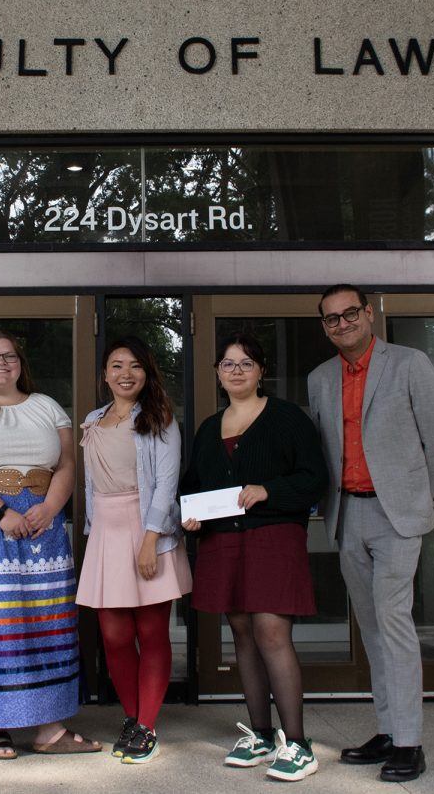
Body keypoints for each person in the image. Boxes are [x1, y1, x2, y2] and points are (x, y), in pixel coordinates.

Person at [307, 284, 434, 783]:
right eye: (331, 319)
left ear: (368, 313)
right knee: (370, 627)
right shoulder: (320, 378)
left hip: (396, 516)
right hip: (348, 514)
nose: (342, 323)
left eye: (350, 313)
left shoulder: (409, 364)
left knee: (394, 622)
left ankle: (410, 741)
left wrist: (416, 498)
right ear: (324, 326)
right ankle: (389, 729)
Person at [0, 330, 102, 758]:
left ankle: (50, 729)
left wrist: (51, 506)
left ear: (20, 362)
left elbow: (66, 464)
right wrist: (1, 513)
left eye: (8, 356)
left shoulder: (46, 406)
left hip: (41, 525)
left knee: (45, 621)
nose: (0, 363)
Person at [180, 332, 327, 782]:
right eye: (228, 363)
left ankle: (298, 744)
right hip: (224, 540)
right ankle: (261, 734)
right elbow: (192, 485)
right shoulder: (209, 426)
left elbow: (314, 477)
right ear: (218, 374)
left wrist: (270, 490)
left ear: (261, 370)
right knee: (241, 632)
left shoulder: (287, 418)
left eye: (246, 363)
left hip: (273, 535)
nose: (237, 370)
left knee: (271, 632)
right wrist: (192, 516)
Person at [76, 336, 192, 764]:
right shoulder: (92, 419)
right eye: (117, 365)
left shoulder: (159, 418)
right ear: (105, 374)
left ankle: (146, 726)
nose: (127, 374)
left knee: (151, 631)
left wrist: (151, 540)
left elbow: (166, 483)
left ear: (146, 374)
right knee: (114, 635)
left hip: (147, 529)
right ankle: (132, 716)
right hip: (106, 530)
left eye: (136, 366)